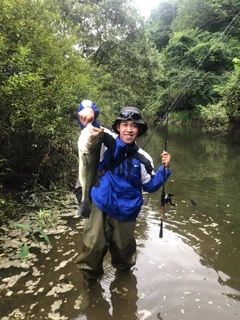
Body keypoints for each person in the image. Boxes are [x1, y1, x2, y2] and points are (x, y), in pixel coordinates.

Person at [75, 100, 171, 284]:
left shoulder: (144, 158)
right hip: (101, 202)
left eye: (134, 126)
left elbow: (150, 186)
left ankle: (124, 284)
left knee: (124, 252)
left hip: (127, 211)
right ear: (118, 127)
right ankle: (89, 284)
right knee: (93, 247)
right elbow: (88, 121)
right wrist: (89, 109)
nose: (129, 129)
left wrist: (164, 170)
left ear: (139, 131)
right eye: (125, 125)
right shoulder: (104, 139)